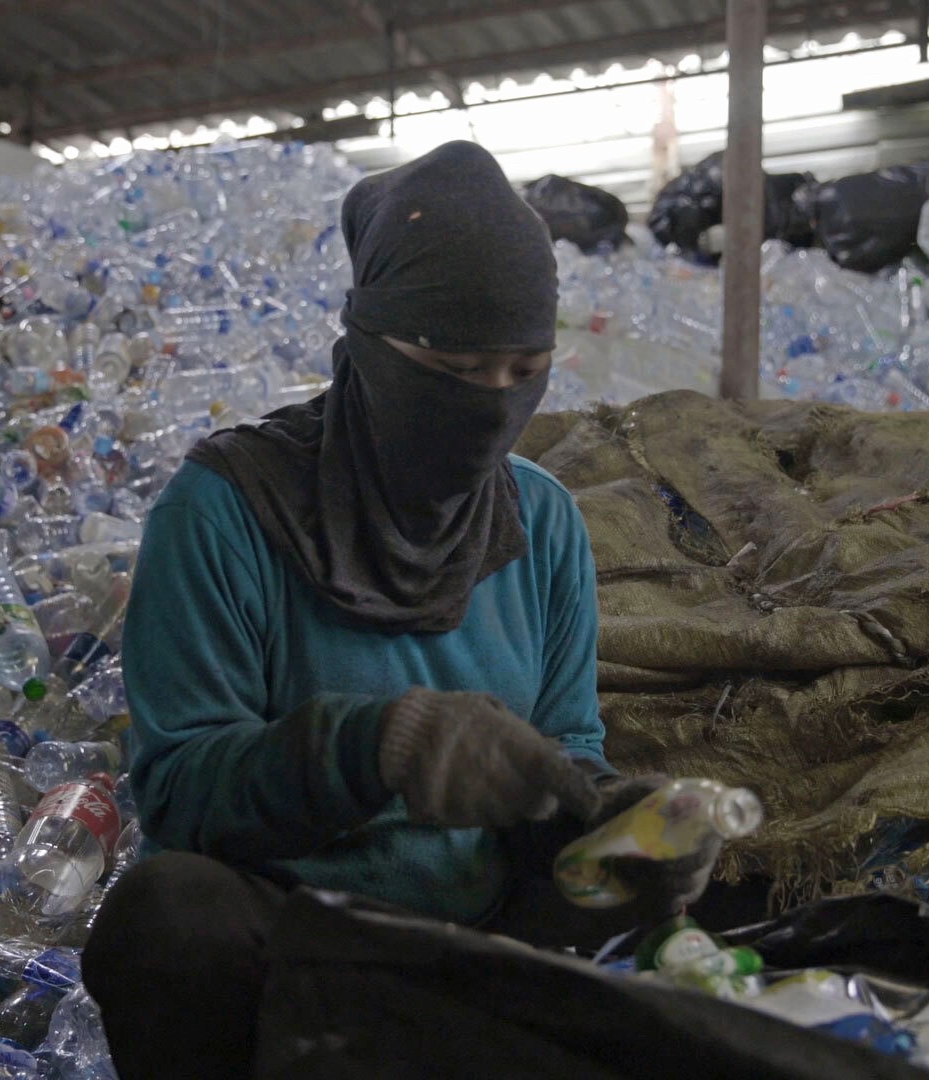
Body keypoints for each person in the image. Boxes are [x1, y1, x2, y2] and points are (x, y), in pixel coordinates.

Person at [83, 142, 701, 1079]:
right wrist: (373, 750)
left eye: (524, 369)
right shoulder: (227, 509)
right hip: (293, 934)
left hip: (481, 935)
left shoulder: (542, 520)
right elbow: (180, 789)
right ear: (371, 345)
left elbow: (569, 744)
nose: (493, 402)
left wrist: (611, 818)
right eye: (456, 366)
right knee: (167, 918)